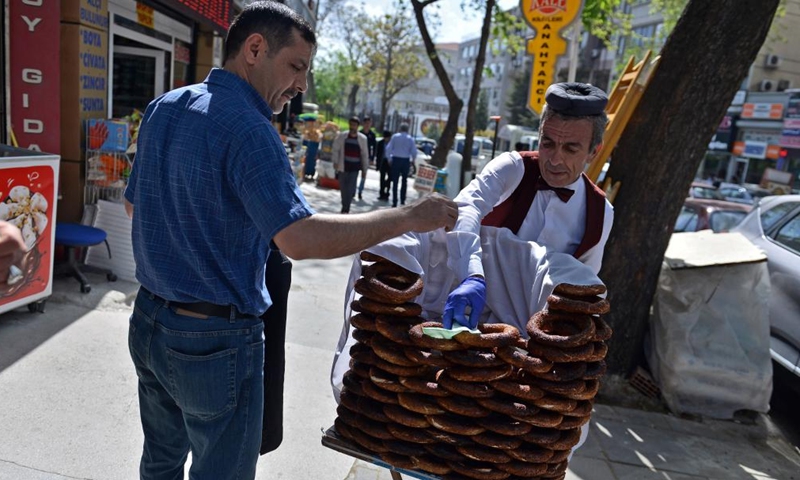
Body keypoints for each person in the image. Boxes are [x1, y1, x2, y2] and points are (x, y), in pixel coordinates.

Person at [122, 3, 458, 480]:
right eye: (296, 67)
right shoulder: (251, 129)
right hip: (213, 341)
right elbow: (299, 238)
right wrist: (407, 216)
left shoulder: (165, 106)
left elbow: (135, 208)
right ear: (255, 49)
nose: (301, 85)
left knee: (160, 465)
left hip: (150, 323)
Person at [442, 81, 614, 459]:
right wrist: (472, 273)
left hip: (532, 360)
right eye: (548, 143)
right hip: (469, 320)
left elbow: (578, 298)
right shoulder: (512, 169)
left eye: (570, 148)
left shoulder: (601, 215)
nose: (554, 158)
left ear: (593, 151)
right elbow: (464, 210)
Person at [332, 116, 369, 213]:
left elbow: (365, 155)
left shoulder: (362, 139)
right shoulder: (342, 136)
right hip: (343, 166)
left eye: (354, 125)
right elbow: (335, 149)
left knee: (350, 189)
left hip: (354, 168)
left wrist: (365, 170)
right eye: (351, 124)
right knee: (343, 188)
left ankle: (346, 208)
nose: (352, 127)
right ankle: (345, 205)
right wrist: (335, 162)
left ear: (357, 126)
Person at [385, 123, 417, 207]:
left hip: (396, 159)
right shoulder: (410, 138)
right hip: (405, 160)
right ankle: (402, 200)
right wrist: (413, 160)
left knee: (395, 181)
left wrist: (389, 159)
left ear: (400, 129)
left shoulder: (395, 137)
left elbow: (388, 148)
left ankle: (394, 201)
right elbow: (414, 151)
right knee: (404, 181)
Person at [357, 116, 377, 200]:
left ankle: (360, 191)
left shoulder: (372, 135)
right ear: (363, 123)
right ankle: (353, 191)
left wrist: (372, 158)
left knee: (364, 174)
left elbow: (374, 147)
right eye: (366, 123)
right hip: (357, 156)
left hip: (366, 156)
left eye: (369, 123)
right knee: (355, 173)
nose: (368, 125)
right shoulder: (359, 133)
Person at [376, 130, 392, 201]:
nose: (386, 139)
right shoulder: (380, 143)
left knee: (390, 178)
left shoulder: (392, 144)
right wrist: (377, 165)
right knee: (382, 178)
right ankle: (381, 193)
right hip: (383, 162)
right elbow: (378, 154)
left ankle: (387, 192)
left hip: (390, 162)